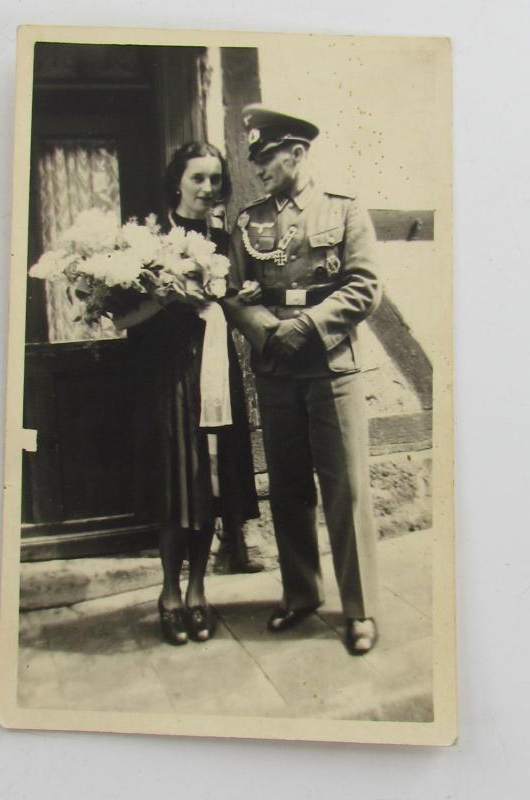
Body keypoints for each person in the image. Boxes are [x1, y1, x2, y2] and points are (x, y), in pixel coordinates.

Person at [224, 105, 381, 655]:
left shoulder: (344, 210)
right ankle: (301, 595)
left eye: (267, 158)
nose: (259, 168)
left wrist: (308, 326)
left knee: (345, 488)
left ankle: (359, 610)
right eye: (256, 160)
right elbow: (232, 292)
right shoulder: (248, 222)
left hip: (331, 366)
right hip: (276, 368)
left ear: (297, 153)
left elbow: (364, 288)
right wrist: (269, 333)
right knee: (288, 488)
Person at [113, 142, 260, 647]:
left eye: (216, 179)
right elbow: (120, 318)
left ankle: (199, 592)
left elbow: (240, 300)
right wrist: (165, 295)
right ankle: (170, 593)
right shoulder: (148, 239)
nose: (208, 188)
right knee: (179, 489)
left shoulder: (224, 239)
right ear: (177, 181)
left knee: (212, 489)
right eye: (198, 178)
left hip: (215, 375)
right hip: (167, 378)